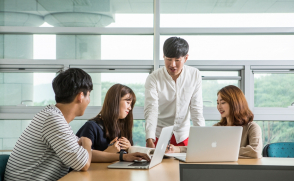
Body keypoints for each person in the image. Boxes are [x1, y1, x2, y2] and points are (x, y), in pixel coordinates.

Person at [5, 68, 93, 181]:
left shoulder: (54, 116)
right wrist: (87, 142)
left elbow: (80, 152)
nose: (89, 100)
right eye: (88, 95)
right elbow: (83, 163)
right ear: (80, 96)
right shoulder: (52, 119)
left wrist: (120, 156)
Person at [167, 85, 263, 159]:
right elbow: (201, 147)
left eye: (223, 102)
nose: (219, 107)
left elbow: (255, 151)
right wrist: (177, 149)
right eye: (217, 103)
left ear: (235, 103)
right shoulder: (216, 128)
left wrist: (218, 151)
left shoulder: (252, 127)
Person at [145, 37, 205, 148]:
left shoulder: (194, 74)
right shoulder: (153, 78)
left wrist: (202, 137)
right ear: (163, 57)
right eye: (168, 59)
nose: (172, 64)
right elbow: (151, 109)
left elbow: (196, 109)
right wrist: (149, 137)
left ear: (186, 58)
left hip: (182, 135)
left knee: (185, 164)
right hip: (158, 134)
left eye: (177, 60)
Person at [76, 84, 150, 162]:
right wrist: (109, 152)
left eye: (131, 104)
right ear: (115, 101)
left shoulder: (122, 126)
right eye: (128, 102)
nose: (130, 108)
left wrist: (129, 149)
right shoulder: (91, 127)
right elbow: (84, 160)